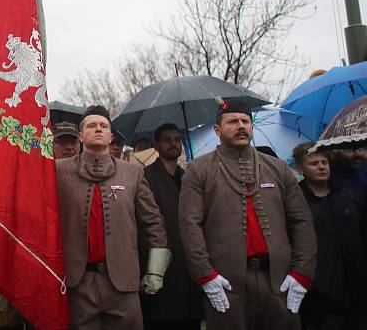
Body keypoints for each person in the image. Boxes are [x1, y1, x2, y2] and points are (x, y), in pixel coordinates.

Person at [179, 98, 317, 330]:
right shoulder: (198, 170)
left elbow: (302, 221)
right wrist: (205, 275)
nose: (241, 126)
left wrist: (302, 272)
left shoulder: (278, 167)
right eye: (232, 121)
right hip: (226, 283)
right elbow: (189, 225)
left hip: (278, 281)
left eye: (245, 121)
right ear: (217, 129)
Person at [56, 105, 170, 330]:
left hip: (123, 282)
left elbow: (154, 223)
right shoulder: (57, 171)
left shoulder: (133, 173)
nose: (98, 129)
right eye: (91, 126)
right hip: (77, 283)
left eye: (103, 126)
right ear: (81, 136)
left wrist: (156, 271)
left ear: (111, 136)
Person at [294, 142, 367, 330]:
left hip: (355, 291)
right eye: (314, 163)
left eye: (324, 162)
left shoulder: (349, 197)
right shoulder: (295, 204)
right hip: (318, 298)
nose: (321, 166)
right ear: (300, 168)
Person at [140, 123, 203, 330]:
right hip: (160, 261)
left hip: (189, 263)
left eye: (177, 139)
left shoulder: (190, 176)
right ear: (156, 145)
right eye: (167, 140)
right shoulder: (145, 177)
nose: (174, 144)